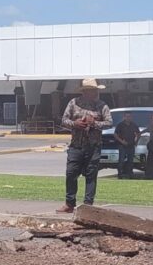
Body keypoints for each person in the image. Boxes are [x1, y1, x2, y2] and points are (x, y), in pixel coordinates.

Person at [56, 78, 113, 212]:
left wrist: (95, 123)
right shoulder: (73, 103)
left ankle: (88, 205)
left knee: (91, 176)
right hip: (76, 145)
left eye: (95, 90)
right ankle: (70, 203)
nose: (95, 93)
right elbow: (64, 120)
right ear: (85, 92)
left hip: (93, 147)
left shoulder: (102, 105)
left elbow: (109, 123)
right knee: (71, 174)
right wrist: (75, 124)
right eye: (92, 90)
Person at [115, 112, 140, 179]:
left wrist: (136, 141)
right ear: (124, 117)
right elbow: (115, 135)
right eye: (127, 116)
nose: (128, 118)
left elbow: (138, 133)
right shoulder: (120, 125)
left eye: (129, 116)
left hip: (131, 145)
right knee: (121, 160)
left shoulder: (134, 125)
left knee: (130, 161)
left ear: (131, 117)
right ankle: (120, 174)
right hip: (122, 146)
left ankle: (130, 174)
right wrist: (121, 141)